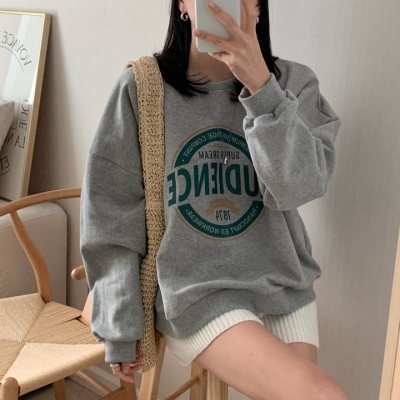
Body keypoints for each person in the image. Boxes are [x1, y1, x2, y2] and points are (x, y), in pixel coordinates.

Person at [80, 0, 348, 399]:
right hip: (194, 288)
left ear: (257, 6)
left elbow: (297, 189)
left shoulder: (295, 83)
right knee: (322, 393)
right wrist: (120, 325)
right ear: (183, 5)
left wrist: (262, 89)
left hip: (282, 278)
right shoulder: (142, 88)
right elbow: (110, 215)